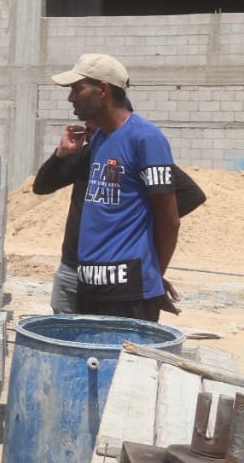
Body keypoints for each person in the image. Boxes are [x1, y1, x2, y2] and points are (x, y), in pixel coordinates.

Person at [34, 105, 205, 315]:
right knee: (66, 333)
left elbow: (190, 195)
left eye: (93, 119)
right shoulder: (86, 155)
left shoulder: (135, 154)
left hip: (114, 276)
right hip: (72, 268)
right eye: (86, 121)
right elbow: (41, 186)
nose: (87, 125)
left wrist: (135, 221)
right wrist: (62, 153)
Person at [51, 54, 179, 322]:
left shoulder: (146, 138)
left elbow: (169, 220)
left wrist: (154, 277)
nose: (71, 98)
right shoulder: (99, 139)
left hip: (127, 291)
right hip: (88, 285)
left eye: (77, 89)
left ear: (102, 90)